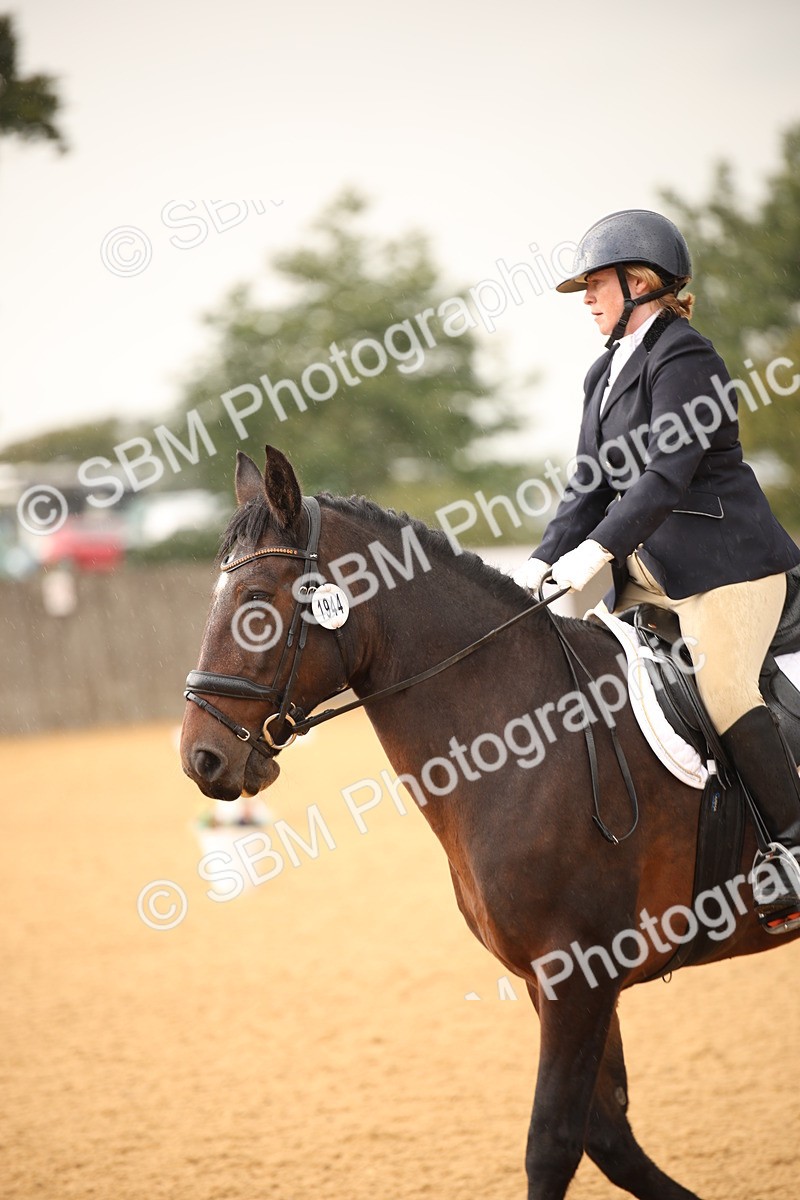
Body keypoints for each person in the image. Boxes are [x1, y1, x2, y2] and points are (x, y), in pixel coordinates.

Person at [515, 208, 800, 931]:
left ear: (639, 282)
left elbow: (664, 477)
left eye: (596, 283)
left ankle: (796, 848)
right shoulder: (602, 373)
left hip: (727, 568)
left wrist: (595, 552)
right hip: (649, 580)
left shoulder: (687, 357)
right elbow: (588, 484)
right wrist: (543, 559)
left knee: (723, 686)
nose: (586, 297)